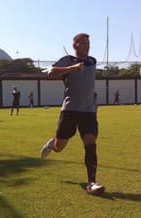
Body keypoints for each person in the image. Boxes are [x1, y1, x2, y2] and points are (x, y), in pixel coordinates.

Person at [40, 33, 105, 195]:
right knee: (59, 147)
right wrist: (71, 68)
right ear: (75, 45)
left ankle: (92, 183)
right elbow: (50, 73)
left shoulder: (92, 61)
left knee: (90, 143)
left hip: (89, 110)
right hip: (70, 109)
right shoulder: (68, 60)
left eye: (88, 43)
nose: (87, 46)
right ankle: (52, 144)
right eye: (83, 43)